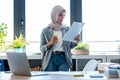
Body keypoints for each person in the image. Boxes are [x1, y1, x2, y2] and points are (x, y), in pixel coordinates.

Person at [40, 5, 80, 71]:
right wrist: (50, 43)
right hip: (50, 59)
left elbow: (70, 46)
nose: (62, 17)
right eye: (60, 15)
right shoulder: (45, 30)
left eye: (64, 15)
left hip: (64, 58)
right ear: (54, 15)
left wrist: (76, 41)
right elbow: (42, 48)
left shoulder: (67, 29)